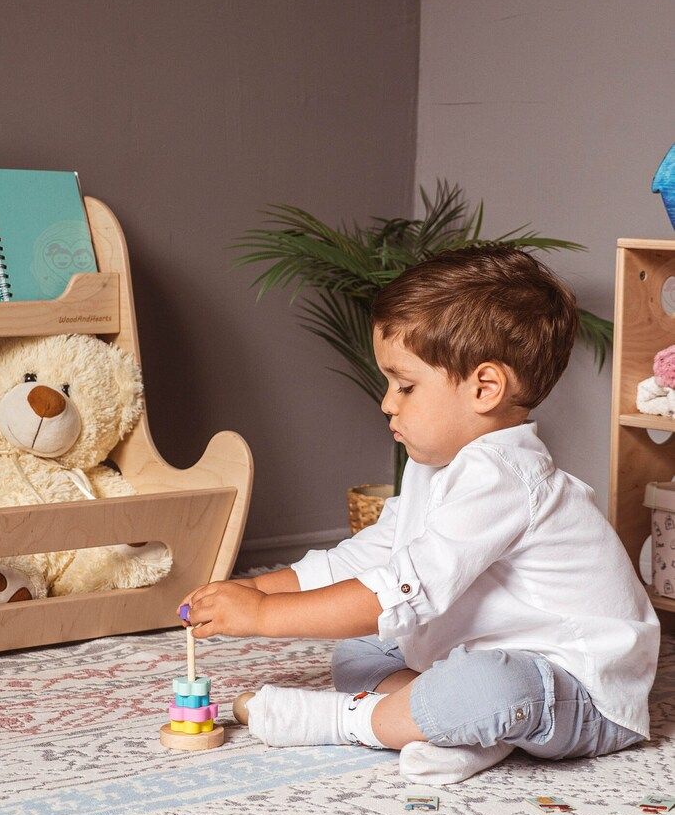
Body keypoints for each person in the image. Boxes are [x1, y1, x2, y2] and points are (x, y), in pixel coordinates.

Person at [181, 246, 660, 784]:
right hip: (488, 651)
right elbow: (377, 552)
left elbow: (405, 589)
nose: (388, 402)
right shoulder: (436, 464)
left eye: (405, 386)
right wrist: (264, 589)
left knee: (486, 687)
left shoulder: (502, 474)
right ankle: (447, 726)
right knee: (359, 655)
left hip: (580, 688)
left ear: (485, 388)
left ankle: (351, 721)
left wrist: (264, 618)